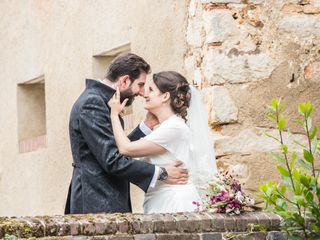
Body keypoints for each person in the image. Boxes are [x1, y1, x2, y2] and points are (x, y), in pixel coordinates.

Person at [65, 54, 189, 214]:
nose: (141, 93)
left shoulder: (104, 101)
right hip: (95, 198)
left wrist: (145, 126)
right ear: (124, 81)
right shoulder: (93, 103)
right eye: (141, 85)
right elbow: (111, 159)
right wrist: (161, 173)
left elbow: (114, 149)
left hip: (105, 195)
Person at [108, 71, 217, 213]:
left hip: (174, 200)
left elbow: (125, 149)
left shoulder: (174, 128)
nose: (145, 95)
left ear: (165, 96)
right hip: (161, 198)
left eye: (151, 90)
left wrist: (114, 114)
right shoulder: (166, 127)